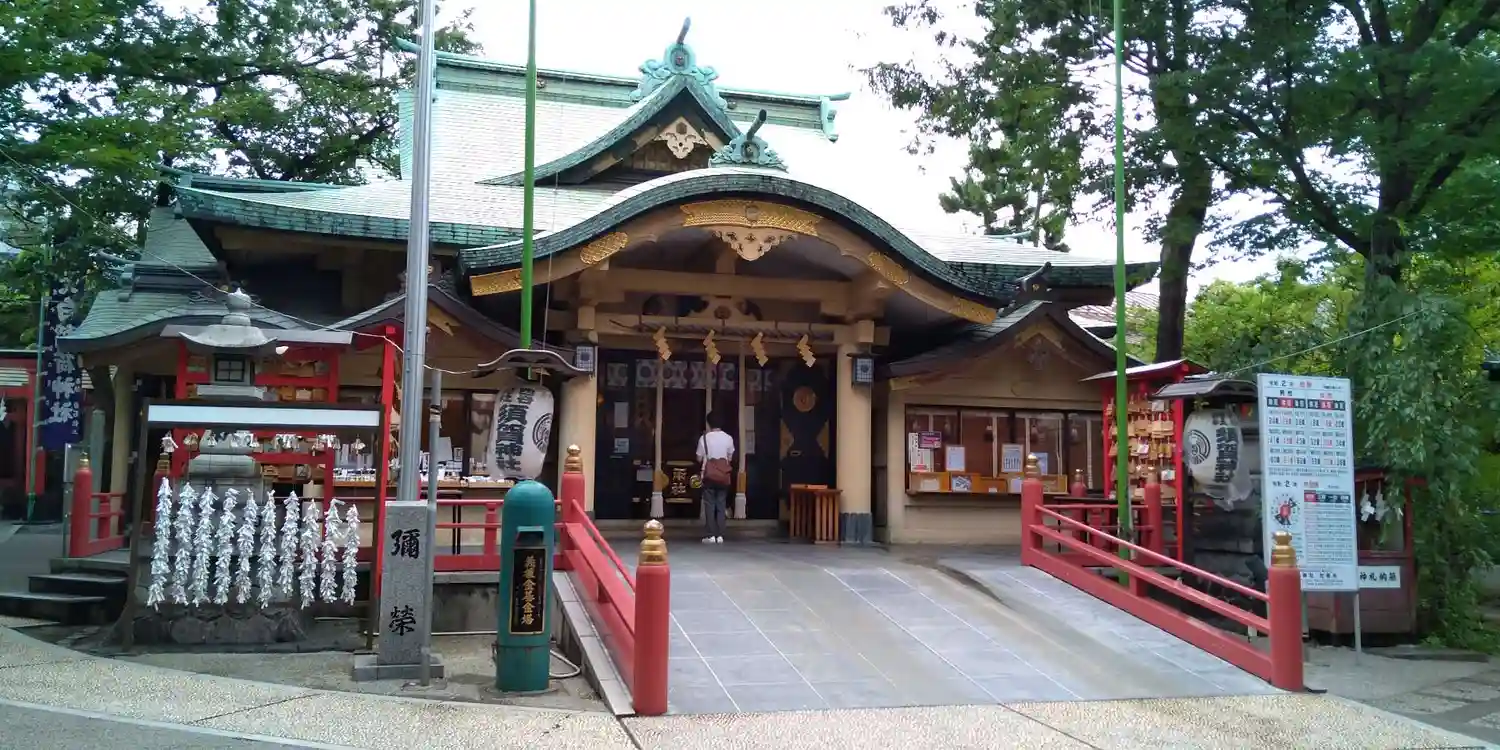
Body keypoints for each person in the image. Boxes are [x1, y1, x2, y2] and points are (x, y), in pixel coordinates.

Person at [696, 411, 735, 544]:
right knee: (721, 504)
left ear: (709, 423)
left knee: (709, 505)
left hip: (709, 475)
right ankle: (720, 535)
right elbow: (730, 457)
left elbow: (699, 458)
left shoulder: (704, 438)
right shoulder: (728, 438)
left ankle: (711, 534)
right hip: (723, 476)